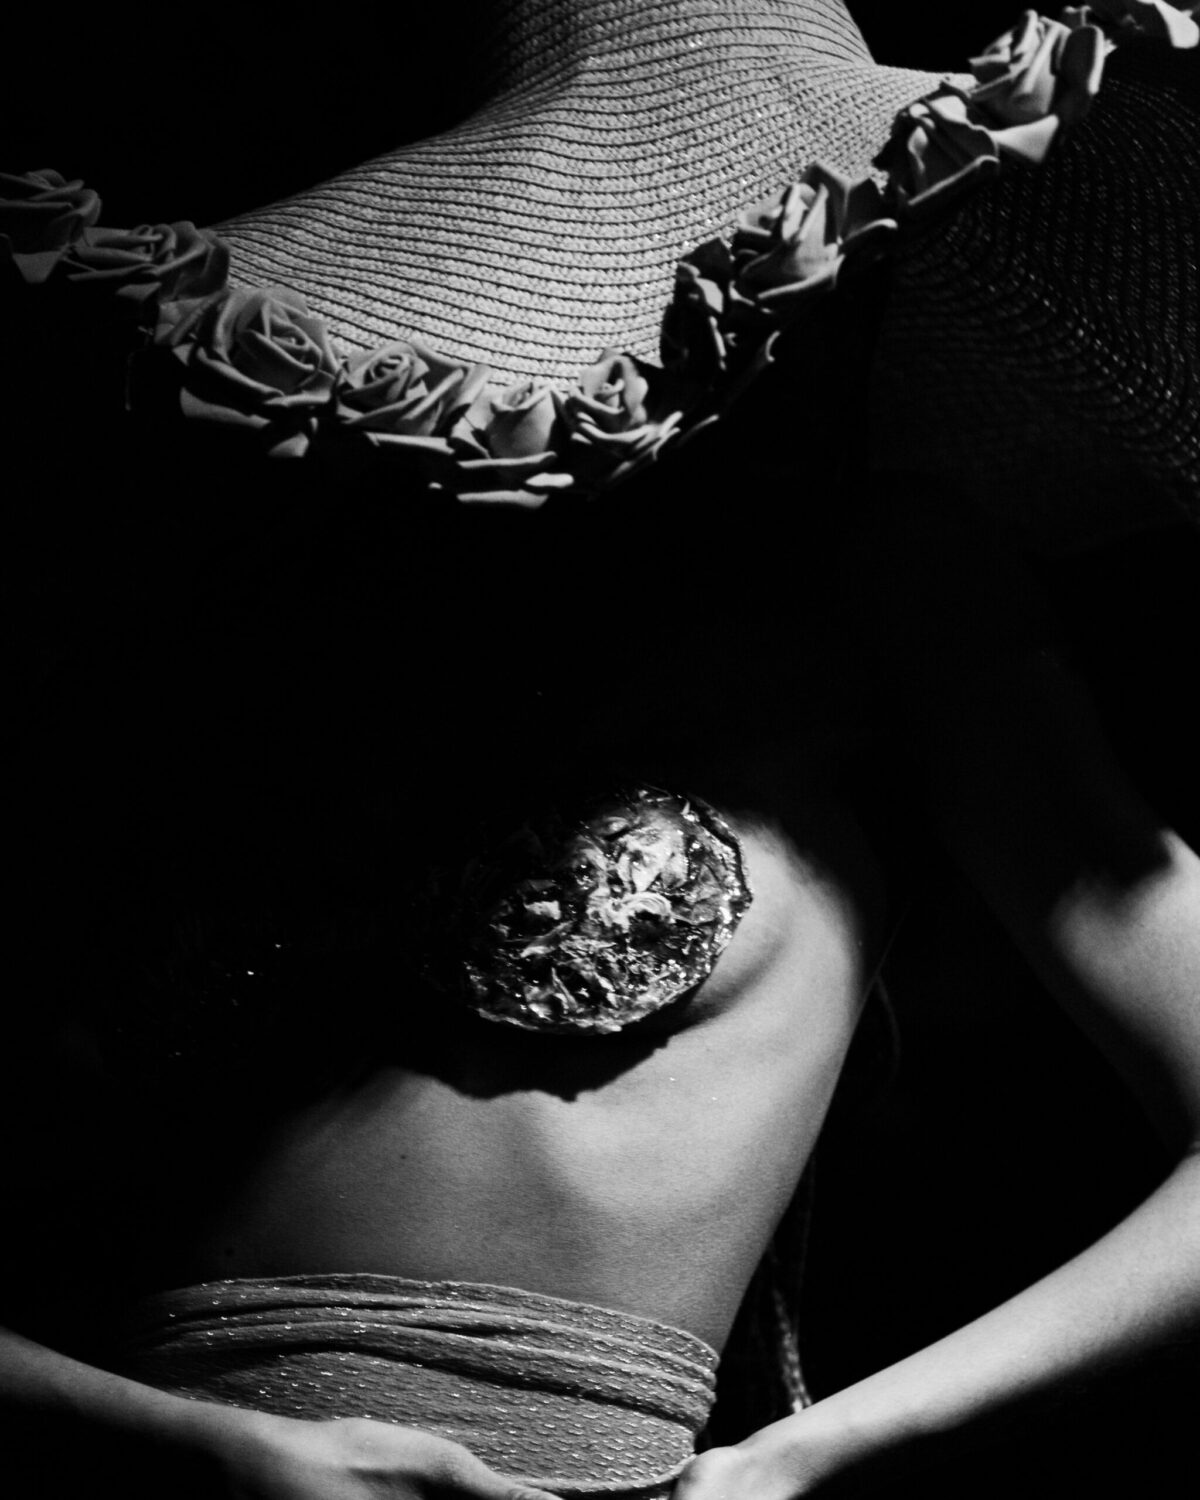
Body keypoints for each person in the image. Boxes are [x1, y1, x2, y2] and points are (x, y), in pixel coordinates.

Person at [2, 3, 1198, 1498]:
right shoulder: (286, 594)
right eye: (723, 254)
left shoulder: (895, 591)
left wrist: (808, 1456)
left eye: (823, 244)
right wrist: (192, 1443)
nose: (775, 304)